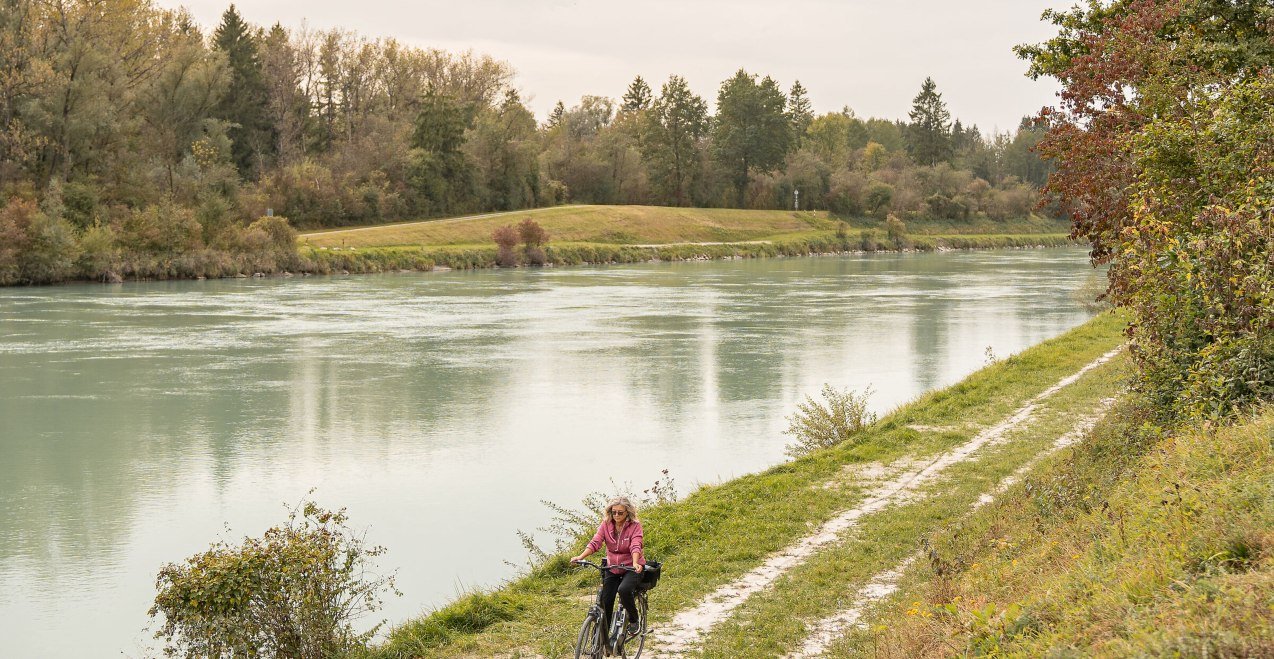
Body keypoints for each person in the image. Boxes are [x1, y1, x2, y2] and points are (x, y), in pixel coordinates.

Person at [570, 496, 646, 637]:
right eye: (613, 512)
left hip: (631, 567)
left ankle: (635, 621)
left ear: (627, 513)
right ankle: (603, 635)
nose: (616, 515)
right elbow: (595, 542)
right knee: (606, 600)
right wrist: (580, 557)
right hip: (612, 567)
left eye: (620, 513)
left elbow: (636, 545)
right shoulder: (606, 524)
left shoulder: (635, 526)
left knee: (624, 590)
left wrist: (636, 562)